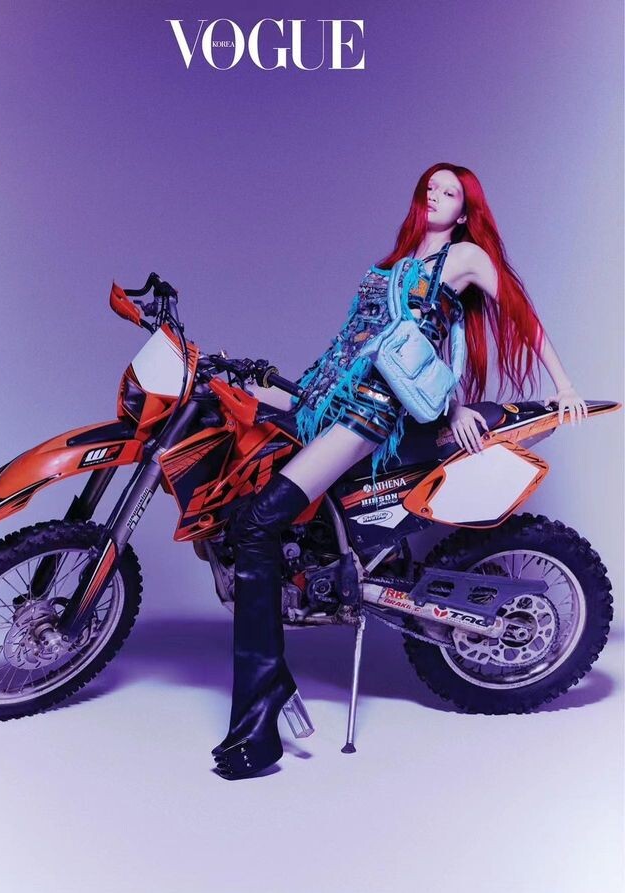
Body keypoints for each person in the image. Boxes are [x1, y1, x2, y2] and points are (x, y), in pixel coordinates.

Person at [212, 162, 588, 780]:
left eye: (450, 192)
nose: (436, 196)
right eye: (430, 188)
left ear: (464, 211)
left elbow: (518, 315)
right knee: (246, 485)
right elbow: (362, 341)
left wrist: (563, 384)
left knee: (259, 524)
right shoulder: (395, 262)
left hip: (372, 412)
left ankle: (260, 715)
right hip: (328, 397)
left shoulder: (464, 258)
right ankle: (287, 641)